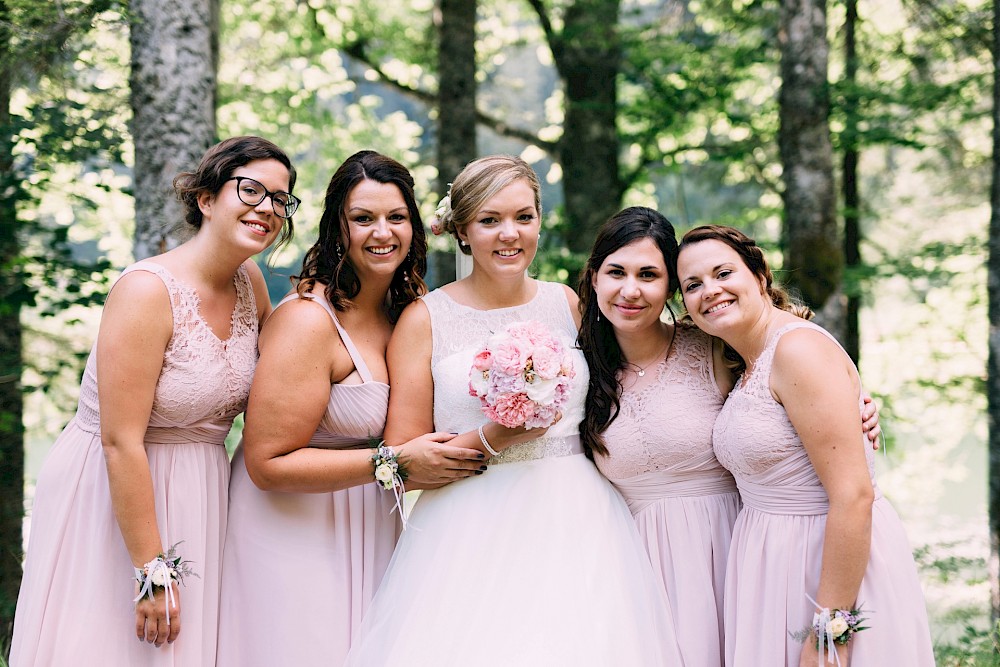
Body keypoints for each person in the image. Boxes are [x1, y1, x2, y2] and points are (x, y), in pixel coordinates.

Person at [344, 156, 683, 666]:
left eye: (524, 217)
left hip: (580, 518)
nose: (510, 234)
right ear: (461, 229)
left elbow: (648, 358)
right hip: (471, 525)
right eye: (490, 220)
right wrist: (494, 437)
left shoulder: (568, 302)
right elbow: (404, 467)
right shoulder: (424, 318)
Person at [10, 136, 297, 666]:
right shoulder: (146, 291)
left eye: (281, 199)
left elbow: (291, 367)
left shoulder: (249, 281)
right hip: (116, 487)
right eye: (252, 190)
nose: (268, 208)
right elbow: (121, 441)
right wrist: (151, 569)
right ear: (207, 199)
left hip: (202, 489)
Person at [577, 208, 883, 667]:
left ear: (668, 290)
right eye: (616, 272)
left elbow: (788, 380)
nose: (631, 289)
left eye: (649, 274)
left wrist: (861, 405)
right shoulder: (579, 371)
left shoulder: (713, 345)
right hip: (642, 569)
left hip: (738, 551)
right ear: (594, 278)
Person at [215, 150, 485, 667]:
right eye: (363, 219)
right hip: (291, 529)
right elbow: (265, 464)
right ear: (338, 228)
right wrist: (395, 464)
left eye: (396, 217)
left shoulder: (410, 311)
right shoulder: (307, 322)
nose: (381, 233)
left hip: (372, 520)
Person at [675, 224, 933, 666]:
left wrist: (830, 635)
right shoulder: (744, 359)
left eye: (723, 273)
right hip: (774, 570)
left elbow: (854, 496)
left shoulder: (797, 350)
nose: (710, 290)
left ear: (759, 276)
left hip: (826, 571)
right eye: (693, 285)